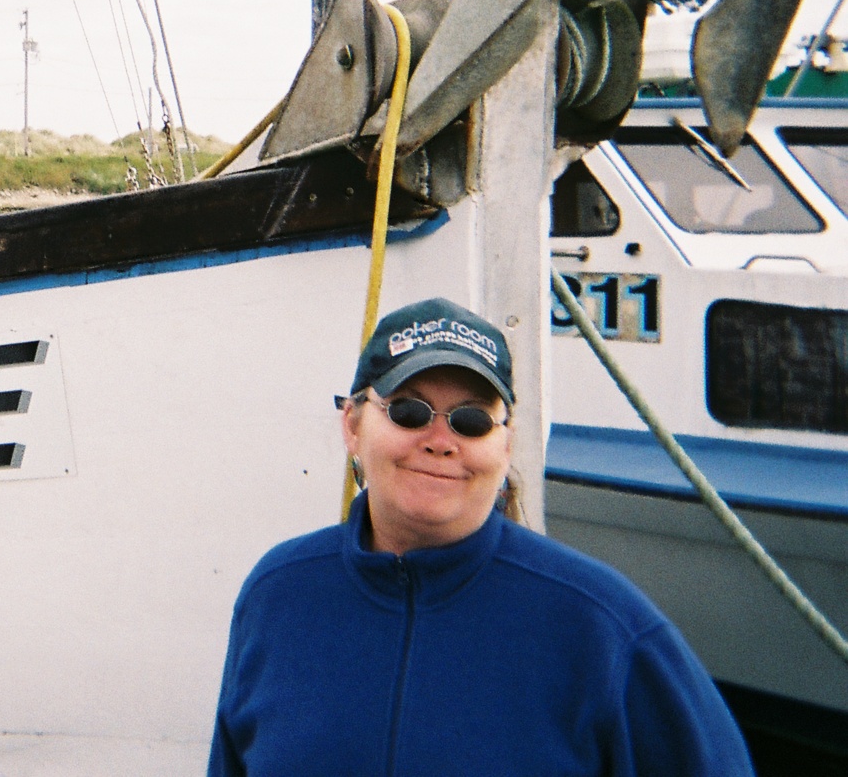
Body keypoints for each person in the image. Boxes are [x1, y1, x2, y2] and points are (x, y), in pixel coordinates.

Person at [207, 296, 752, 776]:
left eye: (471, 420)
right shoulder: (277, 594)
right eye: (409, 410)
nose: (441, 440)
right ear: (353, 424)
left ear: (505, 444)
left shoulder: (602, 626)